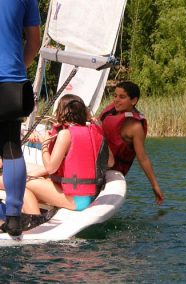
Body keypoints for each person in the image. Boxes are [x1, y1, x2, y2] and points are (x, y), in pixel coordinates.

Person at [11, 94, 114, 229]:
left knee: (18, 185)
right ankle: (33, 213)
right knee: (33, 181)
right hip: (90, 194)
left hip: (77, 200)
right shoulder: (96, 131)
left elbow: (51, 168)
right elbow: (111, 162)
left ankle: (35, 224)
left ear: (61, 112)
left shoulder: (66, 134)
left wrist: (45, 145)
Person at [0, 0, 41, 236]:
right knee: (11, 145)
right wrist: (18, 69)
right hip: (11, 81)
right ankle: (14, 218)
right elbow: (34, 43)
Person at [99, 81, 164, 205]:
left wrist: (155, 185)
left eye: (122, 97)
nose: (116, 100)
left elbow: (143, 158)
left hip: (110, 168)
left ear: (133, 101)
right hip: (97, 159)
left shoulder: (135, 126)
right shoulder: (113, 110)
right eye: (115, 96)